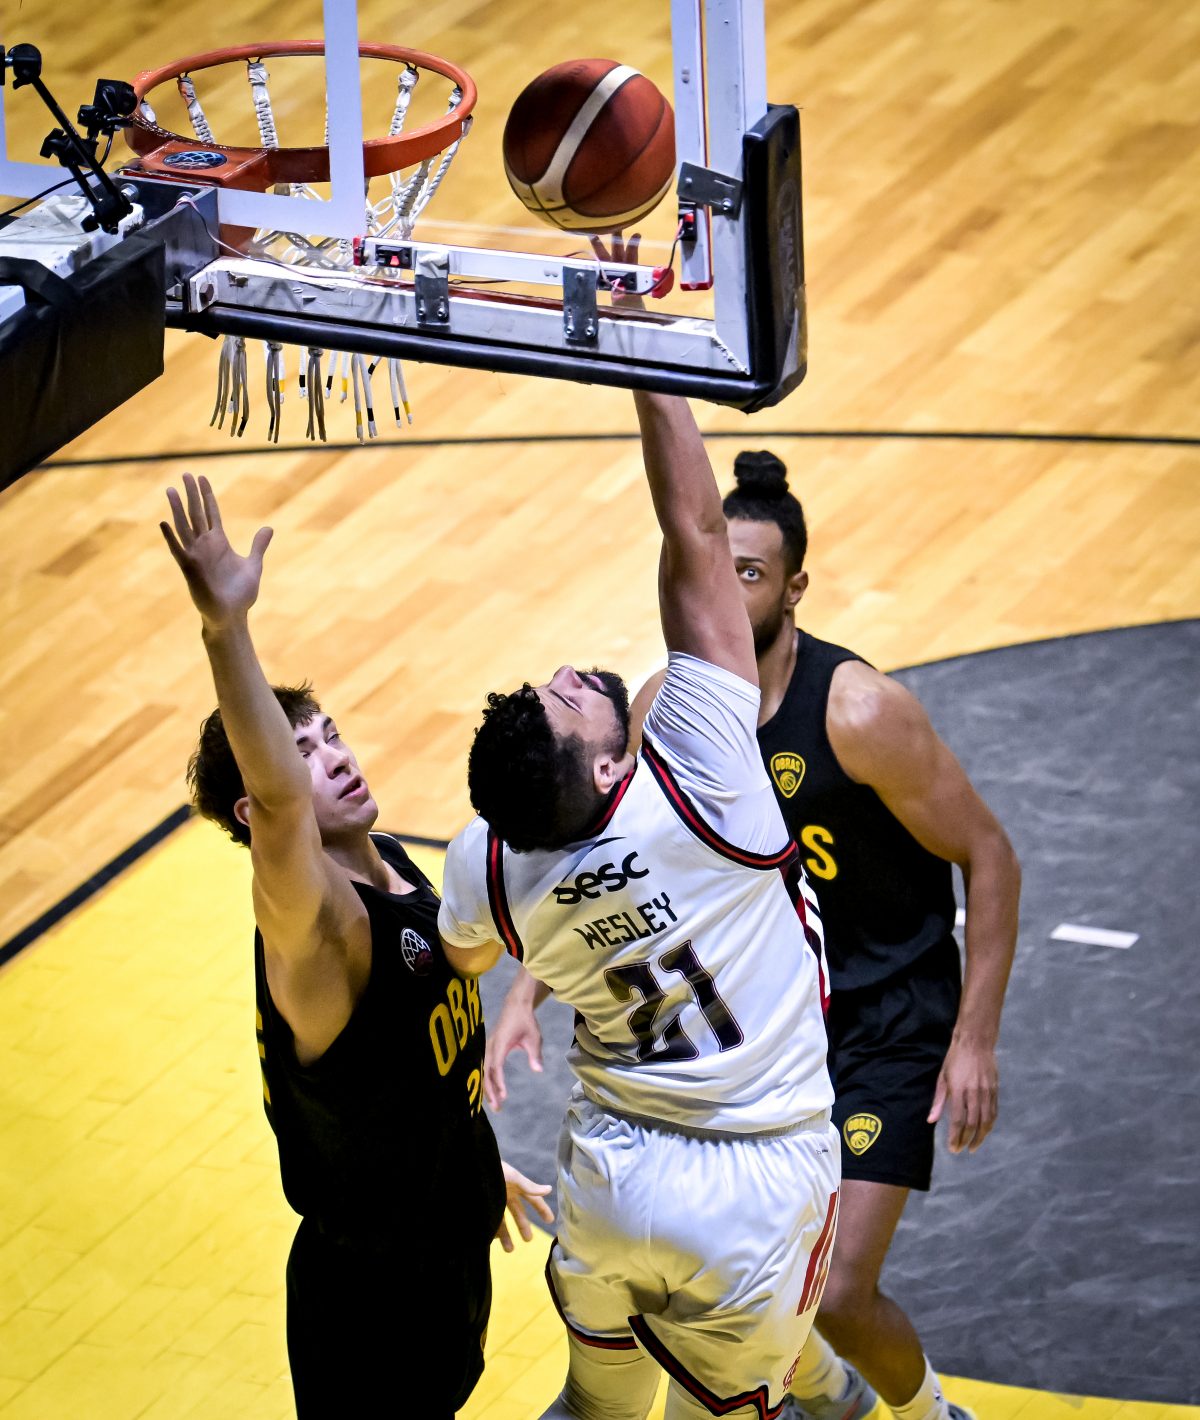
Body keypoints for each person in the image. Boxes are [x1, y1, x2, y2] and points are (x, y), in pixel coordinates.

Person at [486, 450, 1022, 1420]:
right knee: (757, 1279)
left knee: (839, 1292)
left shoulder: (858, 711)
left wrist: (974, 1036)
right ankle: (831, 1397)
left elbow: (990, 854)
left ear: (794, 589)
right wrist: (527, 989)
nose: (730, 590)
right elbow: (615, 867)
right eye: (720, 567)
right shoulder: (666, 709)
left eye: (753, 573)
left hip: (884, 1016)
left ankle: (932, 1416)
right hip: (759, 1026)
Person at [437, 392, 839, 1420]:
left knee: (593, 1406)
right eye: (569, 698)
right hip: (755, 1181)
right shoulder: (702, 778)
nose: (570, 672)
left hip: (611, 1172)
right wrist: (644, 360)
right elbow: (697, 532)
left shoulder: (488, 859)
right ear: (612, 765)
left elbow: (466, 955)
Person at [159, 473, 553, 1419]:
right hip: (372, 1302)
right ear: (258, 809)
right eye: (303, 752)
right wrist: (225, 629)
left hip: (441, 1247)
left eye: (332, 735)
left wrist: (463, 1162)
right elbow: (282, 803)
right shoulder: (313, 929)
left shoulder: (391, 865)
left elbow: (408, 1066)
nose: (335, 756)